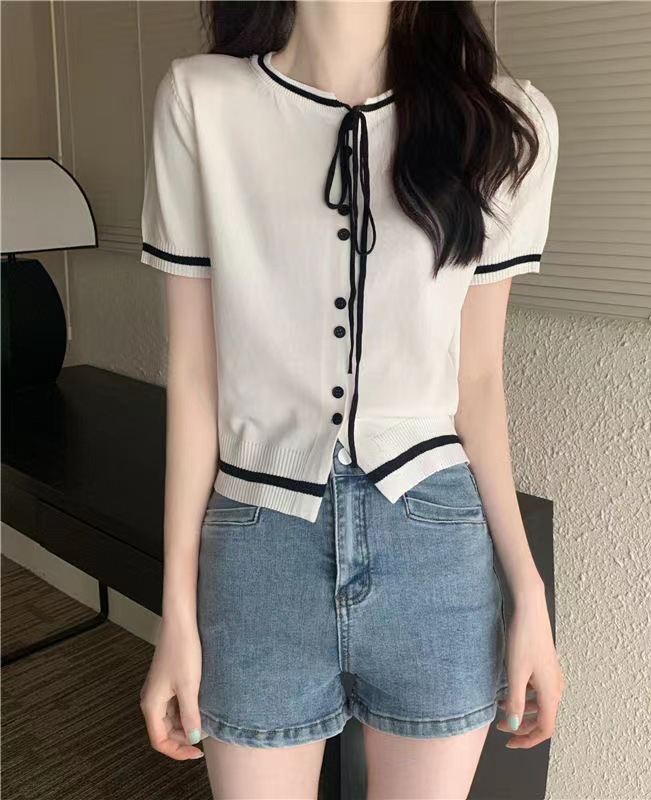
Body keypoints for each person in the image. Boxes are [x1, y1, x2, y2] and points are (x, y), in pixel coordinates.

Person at [137, 1, 564, 797]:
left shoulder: (501, 121)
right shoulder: (201, 102)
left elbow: (478, 381)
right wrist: (177, 610)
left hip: (434, 542)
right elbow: (194, 373)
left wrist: (528, 590)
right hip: (258, 541)